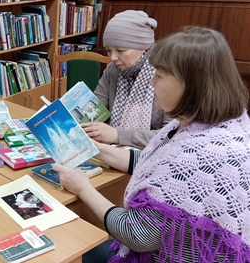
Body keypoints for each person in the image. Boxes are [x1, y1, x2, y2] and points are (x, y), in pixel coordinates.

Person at [53, 26, 250, 263]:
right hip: (161, 246)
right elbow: (151, 162)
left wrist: (83, 187)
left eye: (159, 75)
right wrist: (96, 148)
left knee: (73, 249)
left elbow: (139, 235)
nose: (152, 83)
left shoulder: (207, 152)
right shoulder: (193, 123)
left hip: (163, 256)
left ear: (189, 83)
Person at [81, 10, 171, 149]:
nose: (112, 58)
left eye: (120, 50)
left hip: (155, 157)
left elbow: (170, 136)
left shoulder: (166, 74)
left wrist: (117, 135)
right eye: (108, 50)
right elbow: (93, 108)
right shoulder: (113, 70)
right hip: (118, 153)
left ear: (143, 47)